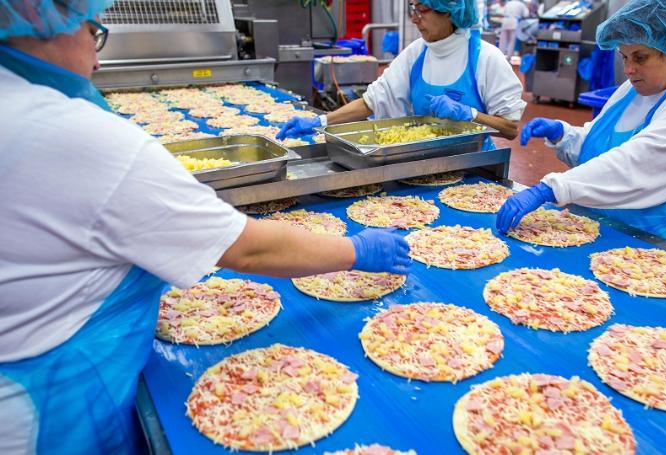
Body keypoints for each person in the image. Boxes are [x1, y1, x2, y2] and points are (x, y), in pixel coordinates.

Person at [0, 1, 411, 453]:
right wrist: (356, 250)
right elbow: (249, 249)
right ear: (44, 26)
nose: (98, 59)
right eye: (93, 33)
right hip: (52, 403)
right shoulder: (78, 134)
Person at [497, 0, 666, 254]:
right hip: (606, 231)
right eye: (624, 56)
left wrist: (552, 187)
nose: (628, 69)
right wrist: (565, 135)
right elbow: (601, 147)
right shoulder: (632, 90)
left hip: (664, 245)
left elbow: (635, 165)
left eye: (640, 57)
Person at [276, 0, 526, 150]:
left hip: (473, 169)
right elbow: (372, 101)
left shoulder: (485, 58)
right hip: (422, 162)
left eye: (422, 10)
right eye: (412, 8)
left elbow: (510, 128)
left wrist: (471, 115)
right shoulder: (417, 53)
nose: (415, 19)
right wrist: (320, 122)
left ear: (449, 10)